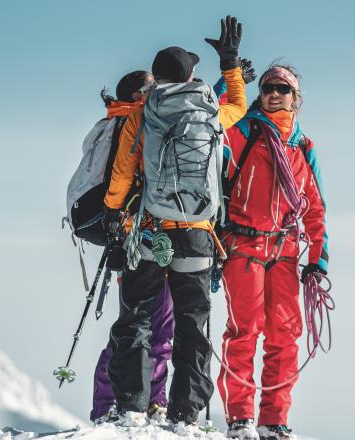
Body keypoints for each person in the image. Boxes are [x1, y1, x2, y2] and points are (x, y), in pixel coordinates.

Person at [100, 16, 248, 432]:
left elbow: (122, 174)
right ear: (190, 75)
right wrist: (231, 63)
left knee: (137, 319)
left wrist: (115, 215)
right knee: (192, 324)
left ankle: (132, 405)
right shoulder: (212, 113)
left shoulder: (143, 115)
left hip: (150, 231)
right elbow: (239, 101)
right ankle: (186, 414)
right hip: (199, 235)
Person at [216, 64, 328, 440]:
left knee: (284, 335)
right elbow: (208, 119)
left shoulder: (302, 146)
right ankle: (240, 420)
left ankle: (274, 421)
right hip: (243, 246)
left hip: (284, 249)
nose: (274, 94)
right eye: (268, 88)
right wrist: (227, 75)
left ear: (296, 98)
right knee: (244, 331)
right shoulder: (241, 133)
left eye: (283, 89)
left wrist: (317, 262)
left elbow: (315, 209)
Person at [89, 70, 175, 424]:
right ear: (140, 95)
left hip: (141, 236)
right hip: (141, 237)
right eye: (153, 89)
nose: (159, 94)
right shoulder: (130, 124)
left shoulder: (126, 122)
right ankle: (130, 400)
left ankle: (137, 399)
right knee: (145, 326)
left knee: (141, 325)